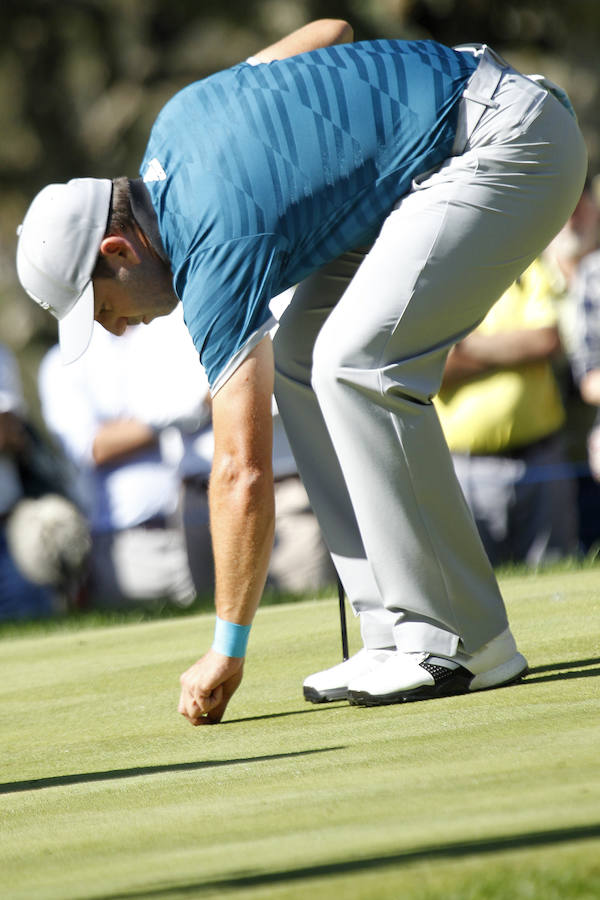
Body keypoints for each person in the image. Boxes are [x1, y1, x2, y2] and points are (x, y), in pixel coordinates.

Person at [15, 18, 587, 723]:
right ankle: (394, 630)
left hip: (509, 140)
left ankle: (465, 640)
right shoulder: (176, 125)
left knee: (357, 363)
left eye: (100, 306)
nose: (113, 326)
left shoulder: (210, 250)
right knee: (302, 359)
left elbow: (242, 470)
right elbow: (330, 31)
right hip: (442, 147)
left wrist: (228, 646)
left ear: (119, 249)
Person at [38, 307, 205, 609]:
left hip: (198, 519)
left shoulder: (164, 332)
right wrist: (170, 417)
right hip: (131, 544)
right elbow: (93, 446)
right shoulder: (62, 361)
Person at [433, 259, 579, 567]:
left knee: (556, 574)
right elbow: (435, 367)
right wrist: (514, 349)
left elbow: (545, 340)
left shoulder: (527, 265)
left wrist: (467, 346)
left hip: (541, 457)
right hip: (465, 467)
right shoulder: (436, 275)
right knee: (473, 585)